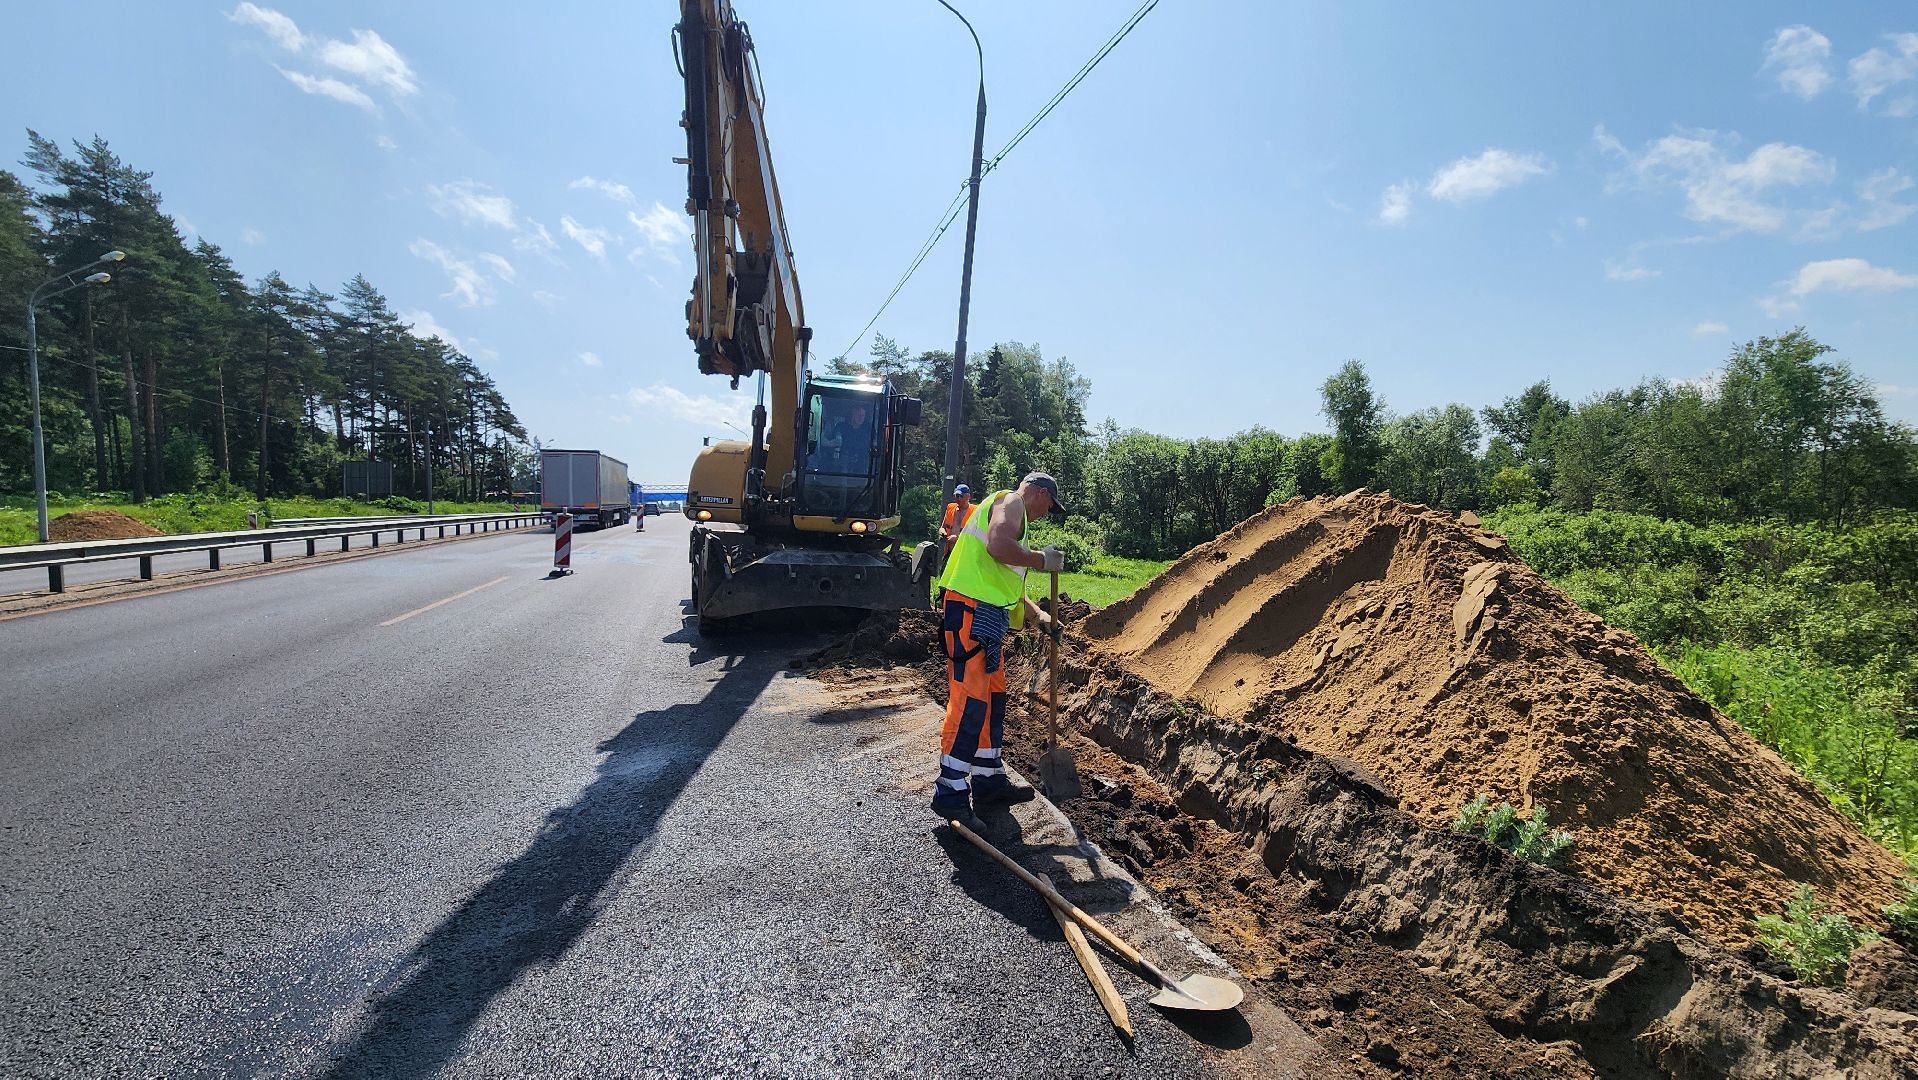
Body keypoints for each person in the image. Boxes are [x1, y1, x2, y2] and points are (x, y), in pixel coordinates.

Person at [931, 472, 1067, 829]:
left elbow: (1003, 582)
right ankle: (950, 791)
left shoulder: (1012, 514)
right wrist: (1041, 560)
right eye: (1050, 507)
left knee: (992, 697)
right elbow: (997, 546)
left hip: (986, 616)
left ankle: (988, 780)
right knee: (970, 700)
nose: (1047, 513)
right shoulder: (1011, 503)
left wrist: (1040, 617)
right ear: (1041, 494)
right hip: (971, 613)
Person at [939, 484, 973, 558]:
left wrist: (957, 538)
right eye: (957, 496)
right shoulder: (950, 507)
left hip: (965, 555)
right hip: (949, 553)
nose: (959, 499)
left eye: (962, 496)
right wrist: (942, 532)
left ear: (968, 497)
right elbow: (942, 527)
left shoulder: (975, 511)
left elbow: (977, 535)